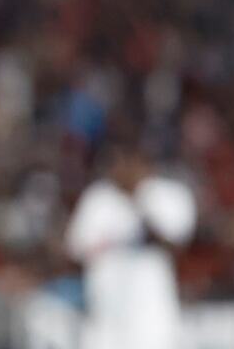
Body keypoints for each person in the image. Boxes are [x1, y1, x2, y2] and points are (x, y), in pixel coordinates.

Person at [65, 141, 196, 349]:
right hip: (107, 310)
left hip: (152, 311)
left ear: (142, 163)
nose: (119, 169)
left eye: (126, 162)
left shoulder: (167, 194)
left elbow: (176, 244)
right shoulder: (99, 198)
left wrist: (138, 205)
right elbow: (75, 249)